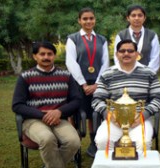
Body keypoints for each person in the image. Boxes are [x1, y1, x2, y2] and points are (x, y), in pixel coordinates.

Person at [12, 41, 81, 168]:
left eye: (49, 54)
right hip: (33, 120)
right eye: (42, 54)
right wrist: (42, 115)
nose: (46, 57)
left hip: (59, 119)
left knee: (74, 142)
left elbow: (76, 100)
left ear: (54, 56)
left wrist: (59, 112)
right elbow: (17, 105)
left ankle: (50, 165)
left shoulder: (66, 75)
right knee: (47, 139)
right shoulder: (25, 77)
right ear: (35, 56)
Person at [92, 39, 160, 153]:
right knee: (102, 141)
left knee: (143, 143)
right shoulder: (107, 74)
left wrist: (144, 115)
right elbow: (97, 99)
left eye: (130, 51)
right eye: (122, 51)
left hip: (140, 119)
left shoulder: (149, 73)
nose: (126, 53)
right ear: (117, 54)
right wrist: (108, 115)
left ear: (137, 54)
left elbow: (158, 98)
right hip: (114, 120)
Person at [65, 7, 109, 157]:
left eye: (91, 18)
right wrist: (83, 84)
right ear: (79, 21)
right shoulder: (73, 38)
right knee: (76, 114)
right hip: (78, 83)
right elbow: (71, 62)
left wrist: (97, 84)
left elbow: (105, 63)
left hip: (97, 83)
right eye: (85, 19)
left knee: (94, 113)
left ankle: (94, 144)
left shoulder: (102, 39)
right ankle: (74, 146)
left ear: (95, 20)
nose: (88, 21)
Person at [113, 5, 160, 73]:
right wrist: (124, 72)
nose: (137, 18)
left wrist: (148, 73)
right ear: (128, 18)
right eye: (133, 15)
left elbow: (155, 58)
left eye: (140, 15)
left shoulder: (152, 35)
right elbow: (117, 57)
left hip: (146, 76)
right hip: (125, 74)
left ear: (144, 18)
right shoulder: (121, 35)